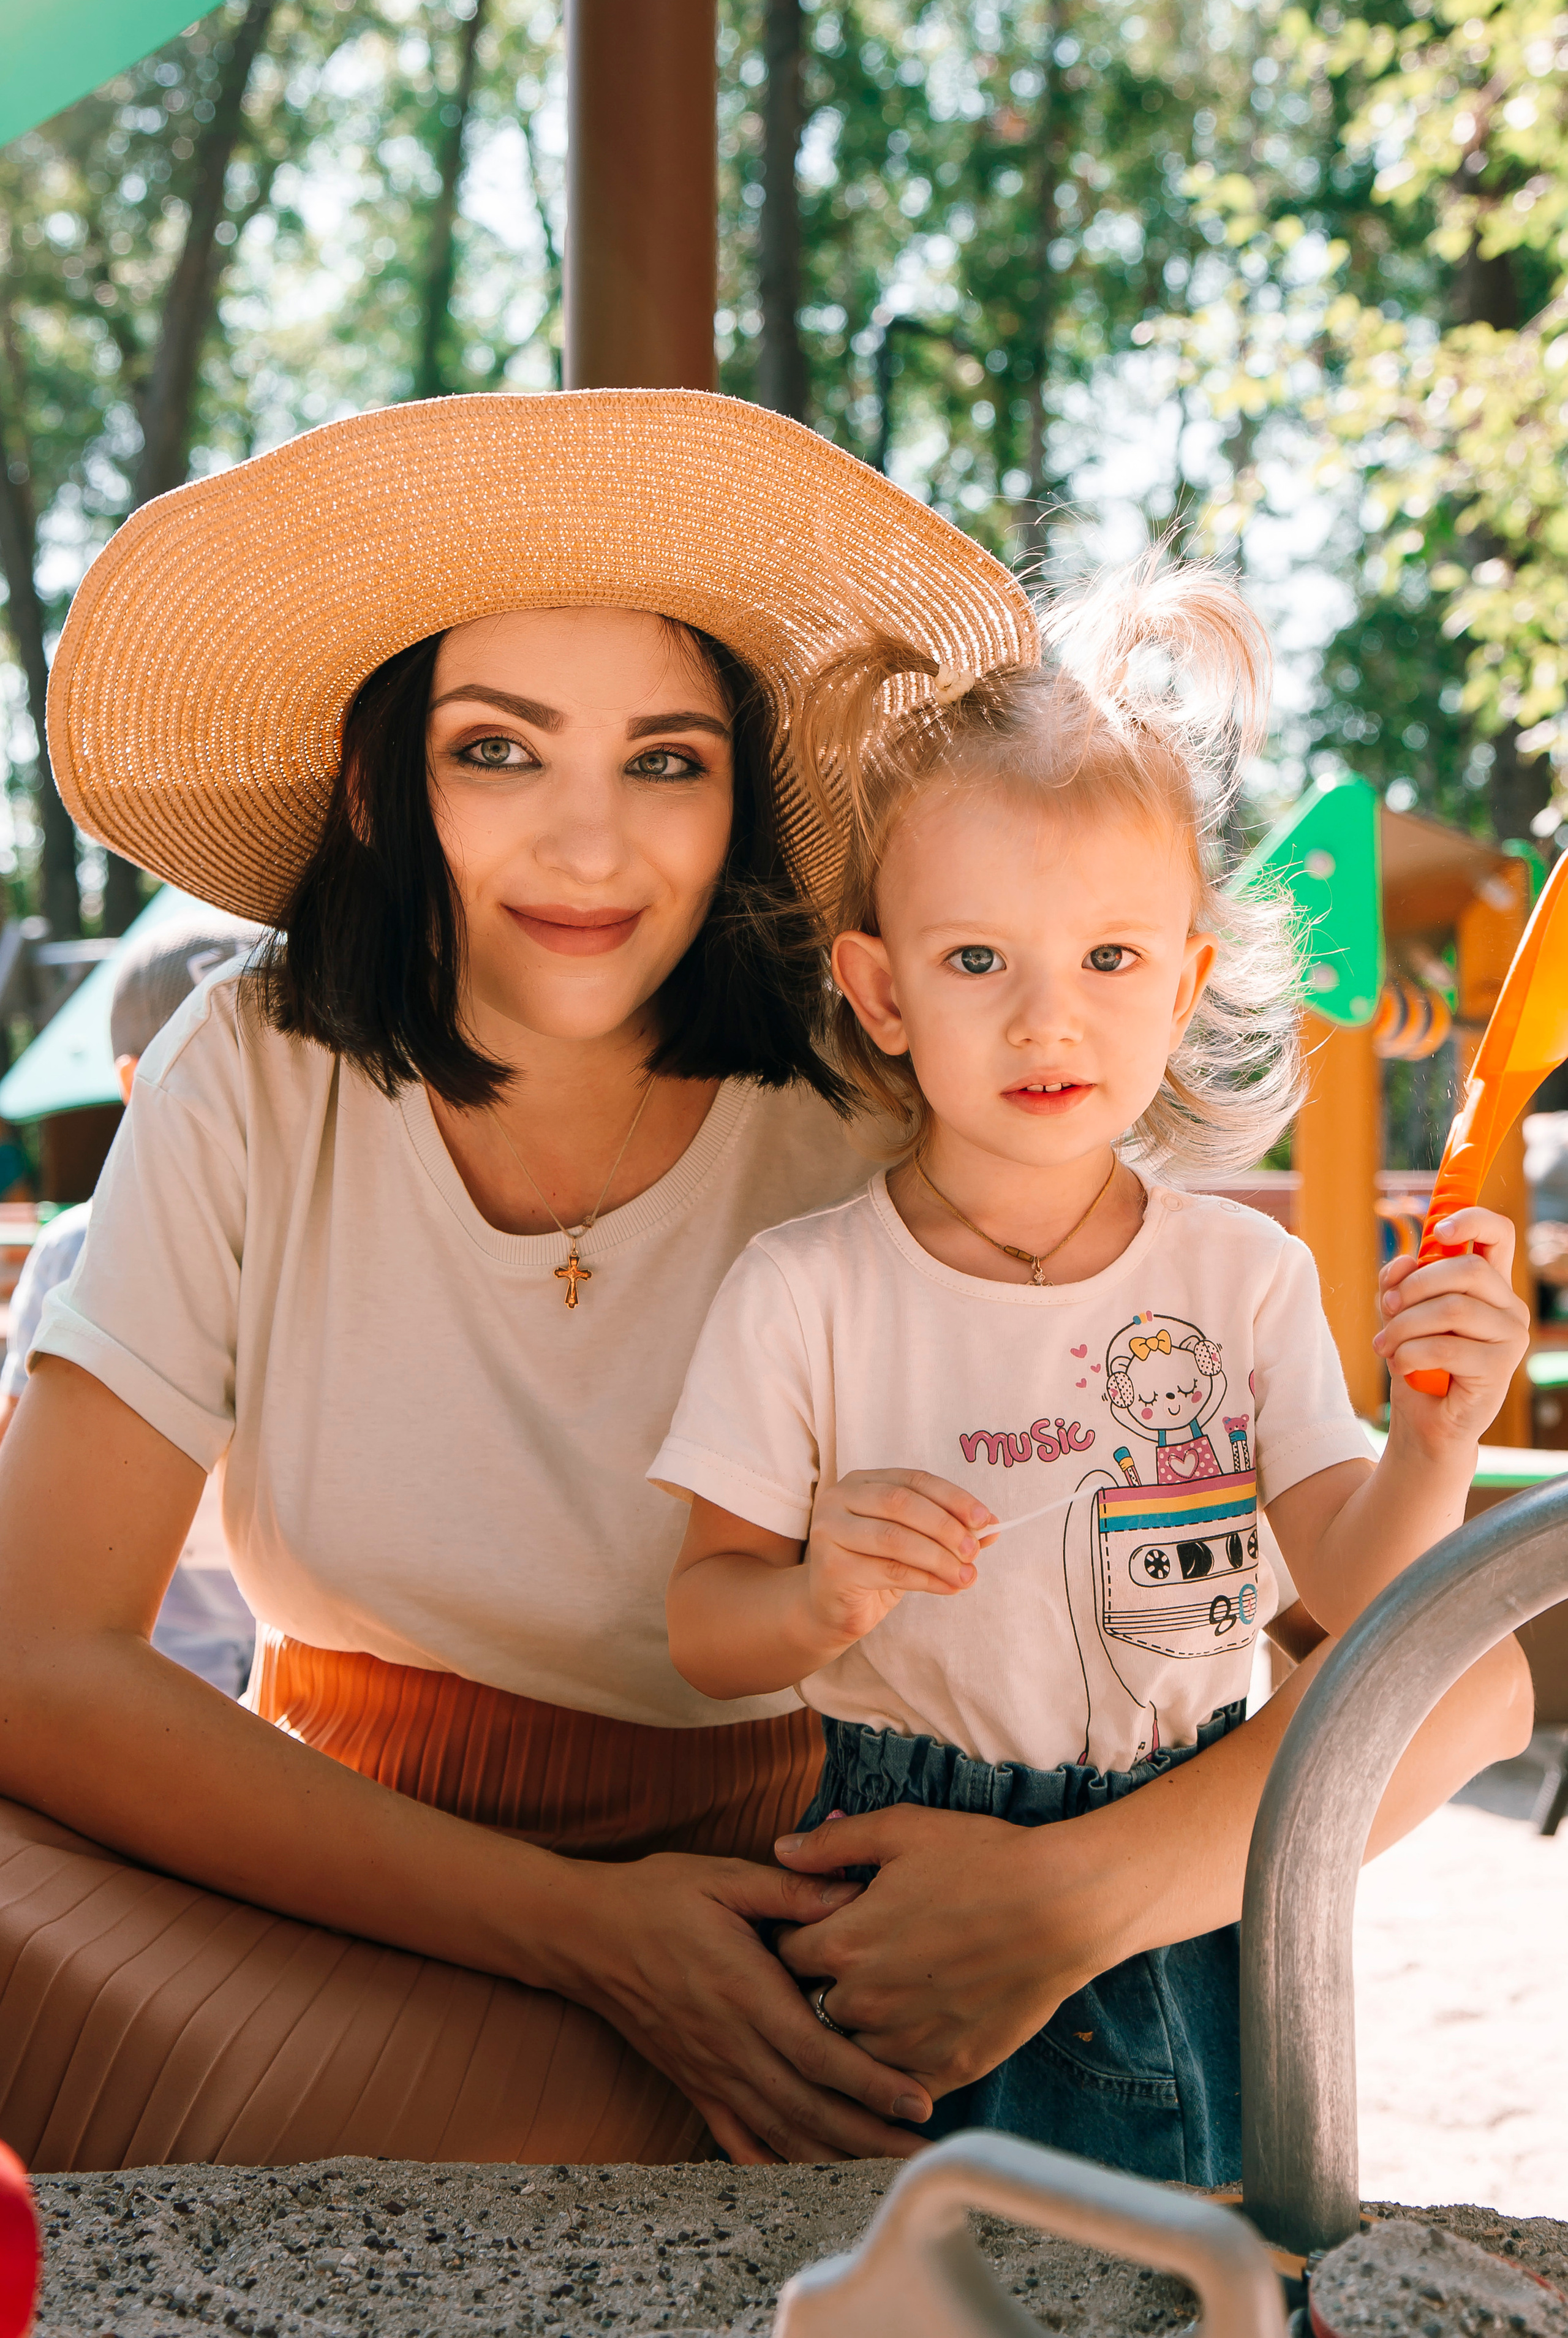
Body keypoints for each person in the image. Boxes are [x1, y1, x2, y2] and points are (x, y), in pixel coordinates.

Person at [0, 395, 1526, 2178]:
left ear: (743, 793)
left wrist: (1064, 1897)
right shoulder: (253, 1067)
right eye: (496, 751)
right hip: (322, 1875)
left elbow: (1457, 1685)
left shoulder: (908, 1095)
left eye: (665, 760)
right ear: (377, 780)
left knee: (587, 2134)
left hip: (786, 1920)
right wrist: (577, 1930)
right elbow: (38, 1656)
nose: (589, 846)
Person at [660, 559, 1532, 2184]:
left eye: (1110, 960)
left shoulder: (1241, 1280)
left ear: (1186, 983)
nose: (1047, 1021)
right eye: (978, 962)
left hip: (1195, 1882)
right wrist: (813, 1598)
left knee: (1221, 2240)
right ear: (881, 991)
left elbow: (1359, 1597)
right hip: (899, 1879)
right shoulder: (807, 1291)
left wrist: (1434, 1441)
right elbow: (703, 1628)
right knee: (903, 2259)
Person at [0, 913, 262, 1695]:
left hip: (264, 1643)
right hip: (153, 1642)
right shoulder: (79, 1247)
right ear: (135, 1082)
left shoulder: (316, 1239)